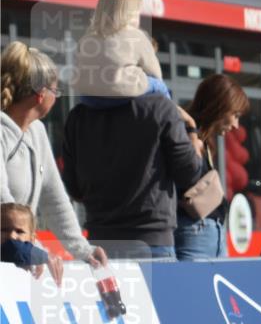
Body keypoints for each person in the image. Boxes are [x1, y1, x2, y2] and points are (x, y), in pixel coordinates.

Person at [62, 61, 203, 259]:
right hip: (152, 242)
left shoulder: (77, 117)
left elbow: (74, 188)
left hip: (100, 244)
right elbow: (189, 174)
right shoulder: (161, 107)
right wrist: (192, 133)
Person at [1, 42, 106, 267]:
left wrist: (83, 250)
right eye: (56, 91)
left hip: (17, 261)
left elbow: (54, 199)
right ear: (40, 95)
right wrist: (35, 252)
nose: (56, 98)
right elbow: (3, 205)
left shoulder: (37, 131)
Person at [175, 74, 249, 259]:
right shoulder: (186, 134)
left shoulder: (202, 139)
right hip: (195, 231)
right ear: (219, 106)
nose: (235, 125)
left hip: (210, 231)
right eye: (235, 115)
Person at [73, 0, 171, 106]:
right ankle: (172, 114)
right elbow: (155, 73)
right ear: (132, 13)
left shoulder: (86, 38)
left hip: (90, 98)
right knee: (160, 85)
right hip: (121, 94)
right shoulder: (136, 36)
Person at [1, 202, 63, 285]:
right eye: (4, 230)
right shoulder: (38, 257)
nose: (12, 236)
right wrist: (44, 256)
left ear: (32, 238)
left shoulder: (35, 264)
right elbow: (15, 250)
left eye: (19, 231)